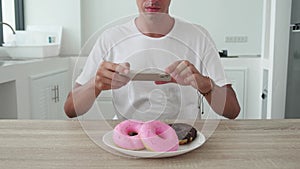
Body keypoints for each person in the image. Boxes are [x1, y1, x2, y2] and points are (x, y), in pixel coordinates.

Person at [64, 0, 240, 120]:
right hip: (129, 137)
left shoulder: (198, 36)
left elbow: (233, 110)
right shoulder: (110, 38)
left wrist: (206, 85)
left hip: (185, 138)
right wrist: (95, 84)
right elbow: (71, 109)